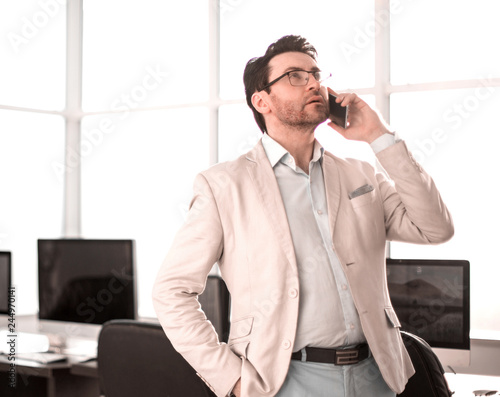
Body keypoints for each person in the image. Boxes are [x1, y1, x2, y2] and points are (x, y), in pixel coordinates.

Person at [152, 35, 454, 397]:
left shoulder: (360, 174)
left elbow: (435, 228)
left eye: (315, 74)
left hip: (377, 376)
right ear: (261, 100)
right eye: (295, 75)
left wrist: (378, 136)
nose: (313, 82)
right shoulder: (223, 186)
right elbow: (172, 291)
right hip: (283, 382)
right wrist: (230, 377)